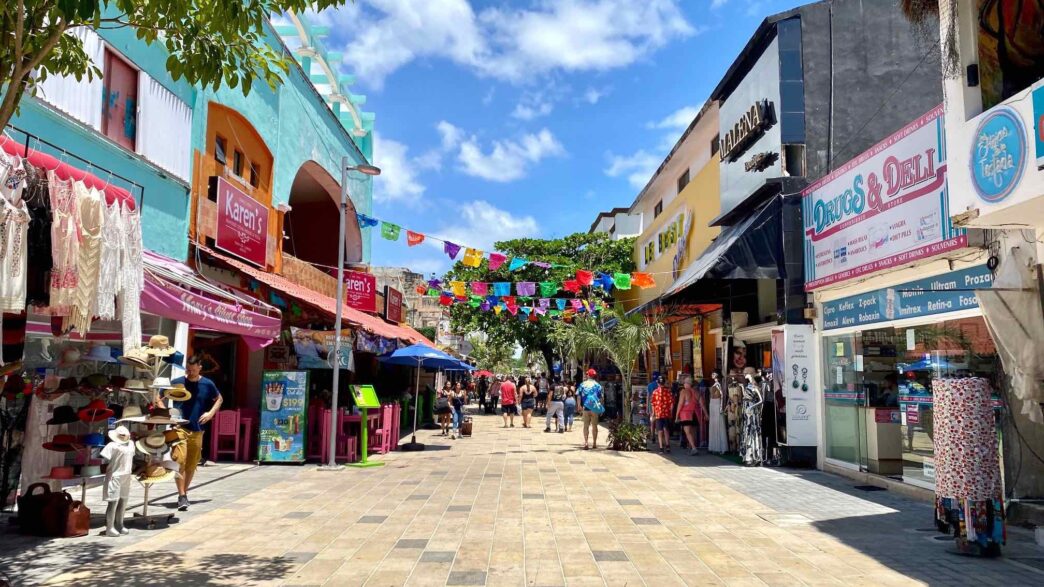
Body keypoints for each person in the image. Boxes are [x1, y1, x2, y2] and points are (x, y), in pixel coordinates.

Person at [170, 355, 223, 511]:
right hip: (179, 427)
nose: (190, 372)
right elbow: (159, 396)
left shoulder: (207, 384)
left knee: (191, 464)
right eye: (188, 369)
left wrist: (210, 413)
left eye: (193, 369)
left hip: (198, 429)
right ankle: (181, 495)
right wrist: (167, 413)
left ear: (200, 367)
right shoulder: (178, 382)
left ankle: (184, 494)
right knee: (180, 460)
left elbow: (219, 399)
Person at [676, 376, 706, 456]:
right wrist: (706, 414)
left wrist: (676, 415)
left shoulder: (683, 392)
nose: (684, 384)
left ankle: (693, 448)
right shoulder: (697, 392)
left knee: (688, 432)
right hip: (695, 414)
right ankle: (691, 447)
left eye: (685, 383)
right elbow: (702, 405)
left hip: (686, 414)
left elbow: (680, 404)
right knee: (693, 432)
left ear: (688, 384)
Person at [578, 369, 604, 450]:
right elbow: (601, 398)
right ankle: (594, 443)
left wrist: (579, 405)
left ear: (588, 375)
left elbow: (578, 395)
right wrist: (601, 407)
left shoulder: (583, 384)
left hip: (586, 407)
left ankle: (586, 443)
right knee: (594, 426)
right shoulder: (598, 385)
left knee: (586, 426)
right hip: (595, 408)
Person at [651, 376, 675, 453]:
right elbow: (671, 404)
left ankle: (661, 447)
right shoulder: (668, 392)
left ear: (657, 383)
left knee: (659, 431)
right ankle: (667, 446)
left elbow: (653, 404)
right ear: (664, 383)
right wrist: (671, 413)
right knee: (666, 430)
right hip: (666, 414)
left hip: (658, 414)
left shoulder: (655, 392)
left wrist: (653, 413)